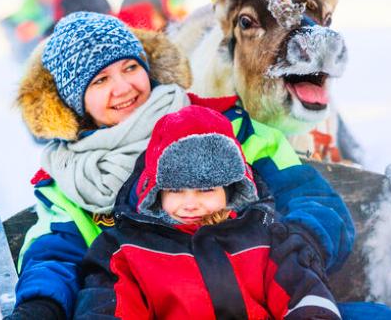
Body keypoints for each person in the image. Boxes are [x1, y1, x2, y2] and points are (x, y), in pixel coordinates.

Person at [7, 11, 355, 320]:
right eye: (100, 80)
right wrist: (41, 304)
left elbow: (312, 200)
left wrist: (291, 265)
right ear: (74, 100)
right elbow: (53, 255)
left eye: (130, 67)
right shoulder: (67, 182)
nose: (124, 87)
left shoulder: (227, 129)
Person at [75, 105, 342, 319]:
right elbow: (107, 304)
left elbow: (302, 290)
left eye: (206, 190)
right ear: (157, 192)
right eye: (176, 191)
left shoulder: (263, 235)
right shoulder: (126, 249)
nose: (190, 203)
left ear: (230, 190)